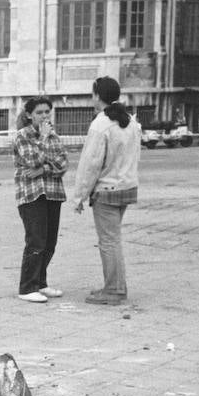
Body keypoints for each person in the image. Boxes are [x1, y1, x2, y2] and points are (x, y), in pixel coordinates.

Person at [74, 76, 141, 305]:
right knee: (114, 240)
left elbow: (90, 164)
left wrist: (80, 195)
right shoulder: (131, 121)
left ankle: (113, 290)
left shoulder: (100, 124)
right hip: (127, 187)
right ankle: (115, 287)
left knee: (108, 242)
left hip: (106, 190)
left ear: (97, 96)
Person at [11, 96, 68, 303]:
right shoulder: (22, 136)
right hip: (31, 195)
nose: (44, 116)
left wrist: (43, 169)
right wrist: (43, 141)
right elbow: (31, 159)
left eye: (47, 112)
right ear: (29, 115)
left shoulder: (55, 136)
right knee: (36, 241)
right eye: (39, 113)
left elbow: (62, 164)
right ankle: (27, 287)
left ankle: (41, 283)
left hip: (53, 193)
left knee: (49, 243)